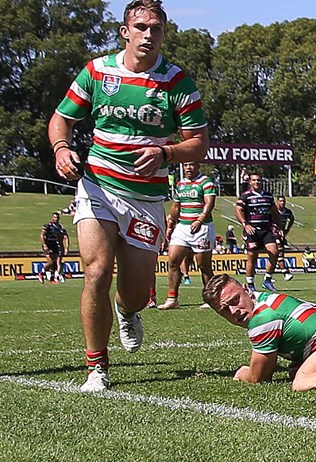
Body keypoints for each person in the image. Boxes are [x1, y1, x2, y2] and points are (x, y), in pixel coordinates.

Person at [48, 0, 209, 392]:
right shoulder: (98, 72)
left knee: (136, 294)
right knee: (97, 272)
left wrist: (164, 152)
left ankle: (127, 311)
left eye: (156, 28)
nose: (148, 35)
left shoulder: (177, 83)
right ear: (125, 31)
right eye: (141, 27)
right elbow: (61, 119)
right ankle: (96, 368)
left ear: (163, 34)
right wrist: (62, 149)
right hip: (98, 187)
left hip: (146, 199)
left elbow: (200, 144)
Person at [160, 161, 216, 308]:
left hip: (202, 227)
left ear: (198, 166)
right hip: (183, 227)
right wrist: (170, 224)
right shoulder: (180, 184)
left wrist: (200, 219)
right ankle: (172, 299)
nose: (188, 168)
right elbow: (176, 205)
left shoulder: (206, 182)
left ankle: (210, 300)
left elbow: (209, 202)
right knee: (173, 261)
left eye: (191, 165)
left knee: (204, 266)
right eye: (185, 165)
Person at [233, 172, 280, 290]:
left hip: (266, 230)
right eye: (254, 180)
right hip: (252, 232)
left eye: (258, 180)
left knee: (274, 252)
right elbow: (238, 211)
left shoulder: (268, 196)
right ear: (250, 182)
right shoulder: (245, 196)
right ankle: (250, 284)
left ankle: (267, 280)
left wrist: (279, 227)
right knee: (252, 257)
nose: (256, 182)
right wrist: (245, 225)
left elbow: (274, 212)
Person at [40, 212, 69, 284]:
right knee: (51, 262)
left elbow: (65, 237)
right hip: (48, 245)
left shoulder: (59, 227)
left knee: (56, 263)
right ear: (52, 218)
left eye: (57, 218)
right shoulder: (48, 226)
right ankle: (41, 273)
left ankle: (53, 278)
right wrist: (44, 245)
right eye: (55, 217)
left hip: (55, 245)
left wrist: (65, 247)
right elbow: (42, 235)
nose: (56, 219)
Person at [272, 194, 296, 278]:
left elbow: (292, 219)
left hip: (281, 235)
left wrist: (287, 229)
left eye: (284, 201)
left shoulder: (287, 212)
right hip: (273, 234)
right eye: (281, 201)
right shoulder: (273, 211)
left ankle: (269, 276)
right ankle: (285, 272)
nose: (283, 203)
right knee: (279, 251)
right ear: (277, 202)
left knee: (277, 255)